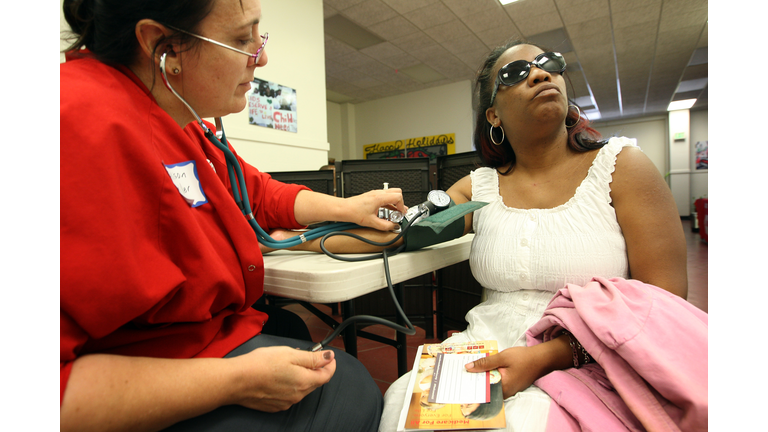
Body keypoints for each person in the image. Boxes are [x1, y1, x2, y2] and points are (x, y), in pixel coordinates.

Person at [59, 0, 408, 431]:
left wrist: (347, 206)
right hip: (141, 379)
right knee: (352, 391)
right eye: (242, 40)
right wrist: (235, 381)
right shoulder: (71, 122)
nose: (261, 57)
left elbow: (255, 191)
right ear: (161, 46)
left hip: (203, 335)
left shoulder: (180, 120)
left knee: (302, 338)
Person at [376, 39, 690, 431]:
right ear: (493, 114)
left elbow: (665, 299)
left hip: (594, 356)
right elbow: (409, 232)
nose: (540, 74)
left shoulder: (623, 167)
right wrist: (314, 225)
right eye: (515, 74)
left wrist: (550, 356)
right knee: (400, 407)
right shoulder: (479, 187)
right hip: (483, 350)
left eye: (548, 64)